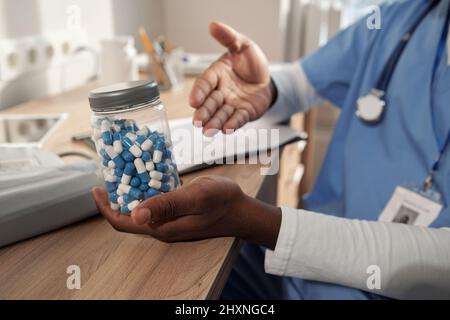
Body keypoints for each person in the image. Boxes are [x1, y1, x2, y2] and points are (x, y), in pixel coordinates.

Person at [92, 0, 450, 299]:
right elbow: (302, 81)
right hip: (299, 273)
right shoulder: (409, 15)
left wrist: (259, 222)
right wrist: (266, 86)